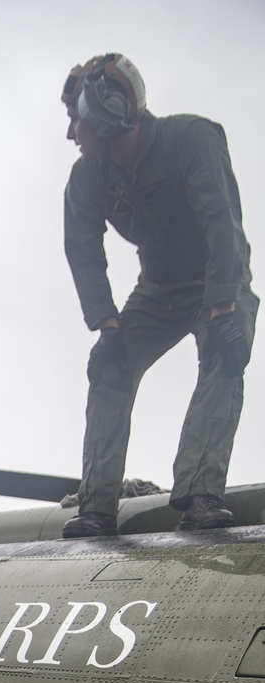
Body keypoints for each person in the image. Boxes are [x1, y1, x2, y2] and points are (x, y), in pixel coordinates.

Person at [60, 53, 257, 539]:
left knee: (223, 355)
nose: (71, 135)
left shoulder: (191, 139)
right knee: (111, 367)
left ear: (105, 113)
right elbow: (82, 250)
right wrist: (106, 326)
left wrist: (224, 310)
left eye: (76, 120)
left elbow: (222, 226)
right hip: (158, 289)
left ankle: (200, 493)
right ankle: (97, 507)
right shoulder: (87, 179)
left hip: (218, 281)